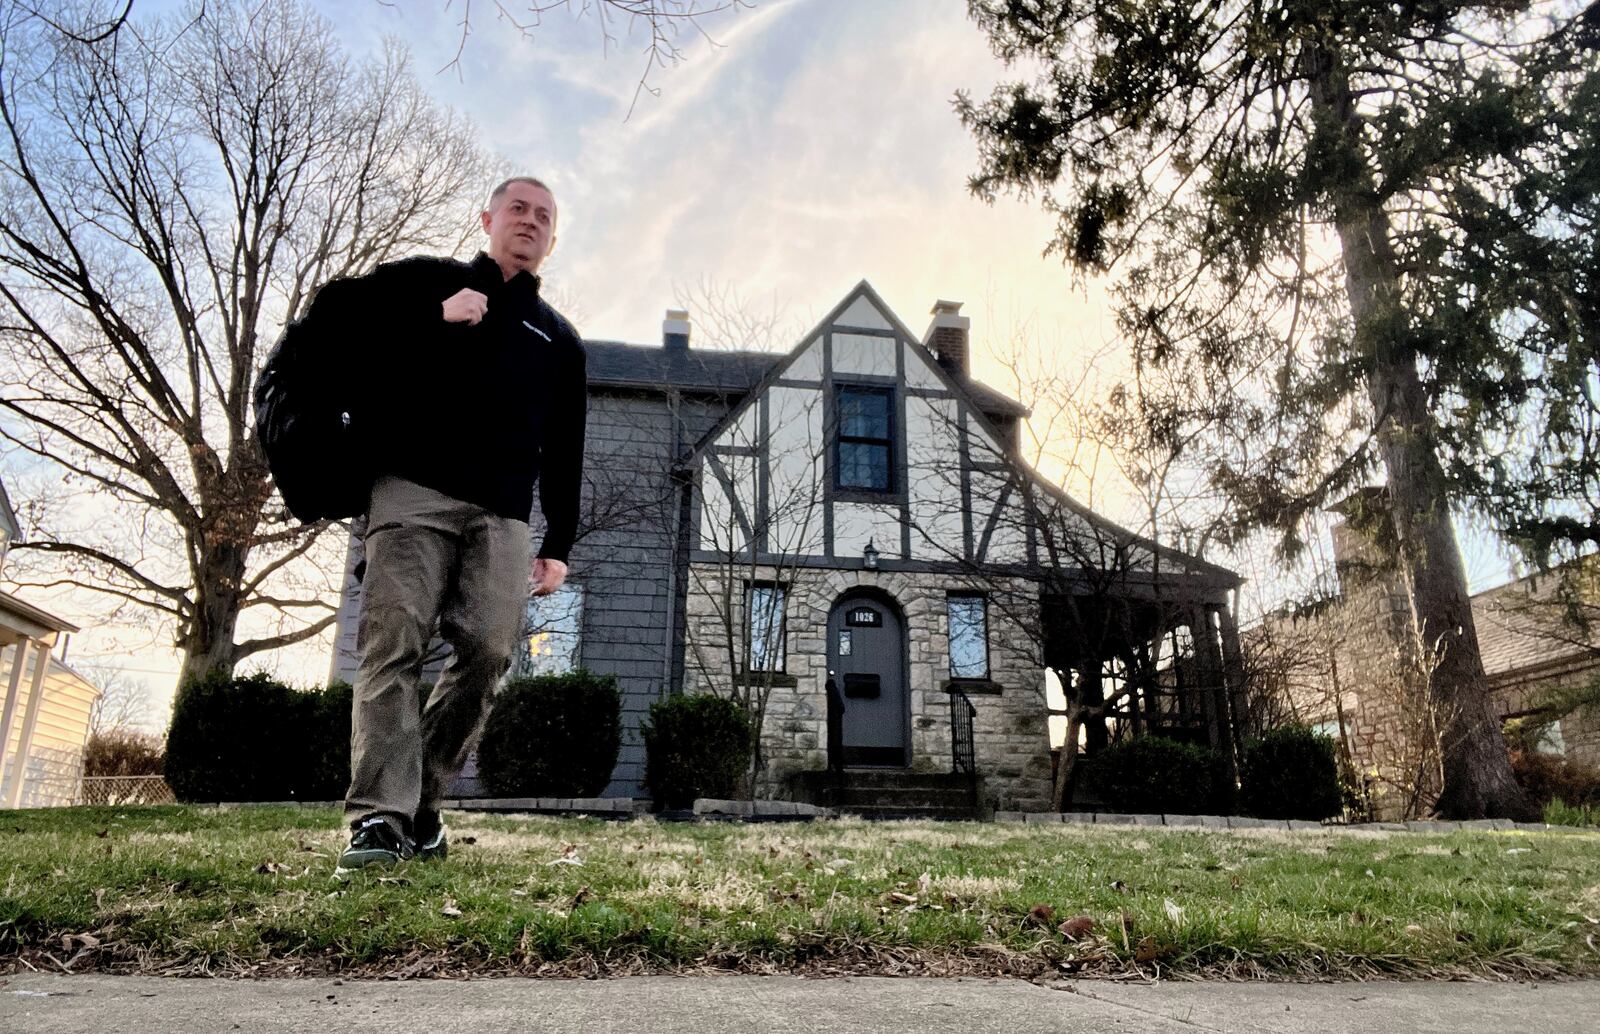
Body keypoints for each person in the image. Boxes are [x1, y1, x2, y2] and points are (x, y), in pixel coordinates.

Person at [323, 176, 586, 875]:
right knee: (394, 643)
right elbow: (356, 370)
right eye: (518, 209)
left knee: (492, 649)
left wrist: (558, 541)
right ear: (488, 219)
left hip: (501, 511)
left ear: (552, 239)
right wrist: (434, 321)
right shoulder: (427, 290)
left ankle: (423, 799)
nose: (530, 222)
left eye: (544, 217)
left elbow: (565, 448)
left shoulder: (560, 340)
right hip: (411, 490)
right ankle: (379, 817)